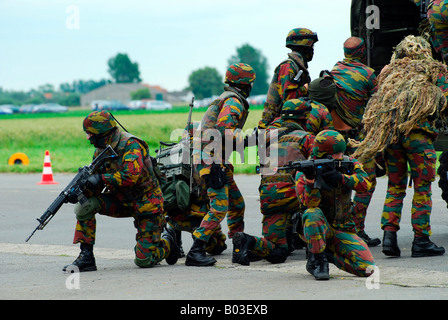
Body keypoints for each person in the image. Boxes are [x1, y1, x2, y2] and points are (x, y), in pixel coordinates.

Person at [352, 35, 448, 257]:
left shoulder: (388, 72)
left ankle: (389, 237)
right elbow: (444, 99)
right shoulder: (435, 70)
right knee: (422, 189)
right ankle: (421, 240)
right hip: (418, 138)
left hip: (393, 139)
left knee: (395, 187)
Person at [63, 110, 179, 272]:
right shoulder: (100, 151)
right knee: (84, 205)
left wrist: (101, 178)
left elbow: (131, 176)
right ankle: (86, 257)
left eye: (90, 134)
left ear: (101, 132)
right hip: (121, 201)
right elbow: (95, 185)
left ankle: (167, 244)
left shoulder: (131, 145)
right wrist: (80, 192)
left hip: (146, 205)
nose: (88, 138)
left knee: (143, 260)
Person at [186, 63, 256, 266]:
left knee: (236, 203)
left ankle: (238, 245)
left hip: (214, 160)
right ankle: (196, 250)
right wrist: (252, 140)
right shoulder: (234, 101)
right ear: (246, 84)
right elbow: (225, 129)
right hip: (212, 161)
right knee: (219, 207)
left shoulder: (227, 98)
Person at [232, 99, 315, 266]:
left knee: (277, 250)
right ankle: (315, 249)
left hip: (269, 197)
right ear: (304, 119)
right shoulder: (307, 138)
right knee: (318, 196)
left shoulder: (265, 137)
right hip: (295, 197)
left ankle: (247, 241)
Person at [295, 130, 375, 280]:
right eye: (336, 154)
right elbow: (309, 204)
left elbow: (366, 184)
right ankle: (318, 262)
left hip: (343, 228)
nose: (340, 156)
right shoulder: (304, 173)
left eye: (341, 153)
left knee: (368, 268)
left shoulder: (348, 163)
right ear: (324, 155)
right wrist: (311, 181)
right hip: (318, 228)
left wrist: (341, 178)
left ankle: (328, 255)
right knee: (312, 214)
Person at [330, 37, 380, 247]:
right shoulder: (368, 74)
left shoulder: (333, 72)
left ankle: (339, 228)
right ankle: (357, 229)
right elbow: (378, 104)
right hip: (359, 140)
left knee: (338, 184)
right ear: (362, 52)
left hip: (335, 140)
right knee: (366, 182)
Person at [258, 28, 318, 129]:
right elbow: (289, 98)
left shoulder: (298, 65)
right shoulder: (289, 66)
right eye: (312, 46)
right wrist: (305, 89)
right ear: (304, 46)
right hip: (275, 125)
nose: (313, 49)